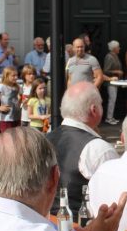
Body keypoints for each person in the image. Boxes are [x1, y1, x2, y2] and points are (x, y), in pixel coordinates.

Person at [46, 81, 118, 212]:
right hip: (80, 223)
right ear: (94, 110)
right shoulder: (99, 149)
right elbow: (113, 199)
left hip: (43, 219)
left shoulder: (43, 140)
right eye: (101, 104)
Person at [103, 40, 124, 125]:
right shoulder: (109, 57)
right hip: (110, 82)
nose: (119, 48)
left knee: (113, 99)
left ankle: (111, 116)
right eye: (118, 47)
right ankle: (109, 118)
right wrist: (117, 71)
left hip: (115, 81)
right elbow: (105, 70)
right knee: (112, 99)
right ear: (114, 48)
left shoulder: (115, 56)